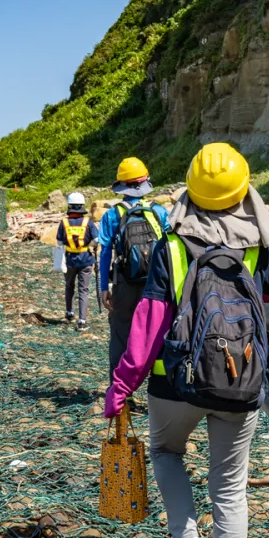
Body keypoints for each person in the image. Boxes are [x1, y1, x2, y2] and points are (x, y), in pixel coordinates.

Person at [103, 143, 269, 538]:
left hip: (175, 383)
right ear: (242, 190)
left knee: (166, 453)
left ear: (191, 190)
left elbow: (147, 325)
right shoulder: (256, 242)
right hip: (241, 381)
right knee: (230, 488)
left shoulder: (172, 245)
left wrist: (121, 385)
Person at [98, 157, 171, 377]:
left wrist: (103, 288)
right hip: (157, 284)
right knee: (159, 333)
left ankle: (121, 397)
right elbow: (171, 249)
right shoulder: (160, 212)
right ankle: (159, 390)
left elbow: (104, 254)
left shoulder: (112, 215)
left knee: (121, 337)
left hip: (124, 285)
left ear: (121, 186)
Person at [55, 192, 98, 330]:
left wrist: (58, 260)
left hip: (69, 260)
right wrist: (91, 245)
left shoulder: (64, 222)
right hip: (85, 260)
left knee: (69, 286)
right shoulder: (88, 222)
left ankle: (69, 312)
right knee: (83, 290)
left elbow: (59, 242)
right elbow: (97, 241)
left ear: (70, 206)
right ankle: (82, 320)